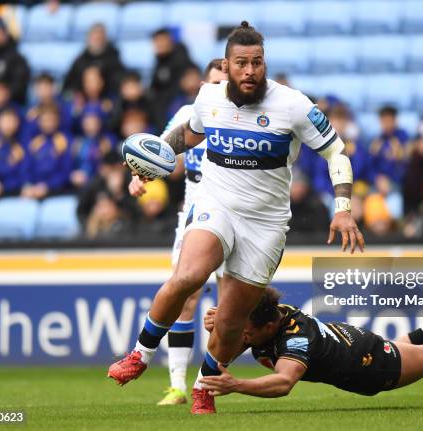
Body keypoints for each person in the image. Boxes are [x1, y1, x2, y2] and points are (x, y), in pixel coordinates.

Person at [107, 22, 364, 415]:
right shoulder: (209, 96)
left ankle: (205, 386)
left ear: (265, 64)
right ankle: (140, 355)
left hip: (266, 224)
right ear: (226, 66)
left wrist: (344, 209)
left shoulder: (293, 104)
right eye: (241, 63)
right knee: (188, 277)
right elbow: (189, 135)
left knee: (230, 321)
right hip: (217, 205)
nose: (250, 71)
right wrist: (155, 159)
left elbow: (336, 153)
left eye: (257, 63)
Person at [198, 275, 423, 400]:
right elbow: (237, 331)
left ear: (268, 328)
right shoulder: (268, 317)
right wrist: (223, 319)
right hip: (356, 344)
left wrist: (236, 385)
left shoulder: (295, 338)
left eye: (246, 330)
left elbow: (284, 383)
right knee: (404, 344)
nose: (242, 334)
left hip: (371, 364)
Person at [123, 58, 228, 406]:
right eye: (211, 83)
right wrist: (140, 174)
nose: (216, 88)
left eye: (222, 82)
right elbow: (162, 150)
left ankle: (206, 384)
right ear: (202, 84)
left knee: (228, 303)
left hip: (233, 213)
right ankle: (178, 386)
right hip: (194, 214)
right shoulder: (190, 111)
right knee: (186, 297)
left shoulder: (240, 115)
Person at [149, 28, 196, 132]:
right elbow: (154, 87)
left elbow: (190, 80)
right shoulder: (159, 62)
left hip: (178, 102)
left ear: (170, 40)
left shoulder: (182, 59)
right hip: (161, 104)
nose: (159, 44)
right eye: (156, 41)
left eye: (161, 40)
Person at [63, 23, 125, 95]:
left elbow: (119, 81)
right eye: (95, 37)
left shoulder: (113, 58)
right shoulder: (81, 60)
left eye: (100, 38)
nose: (97, 40)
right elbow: (69, 85)